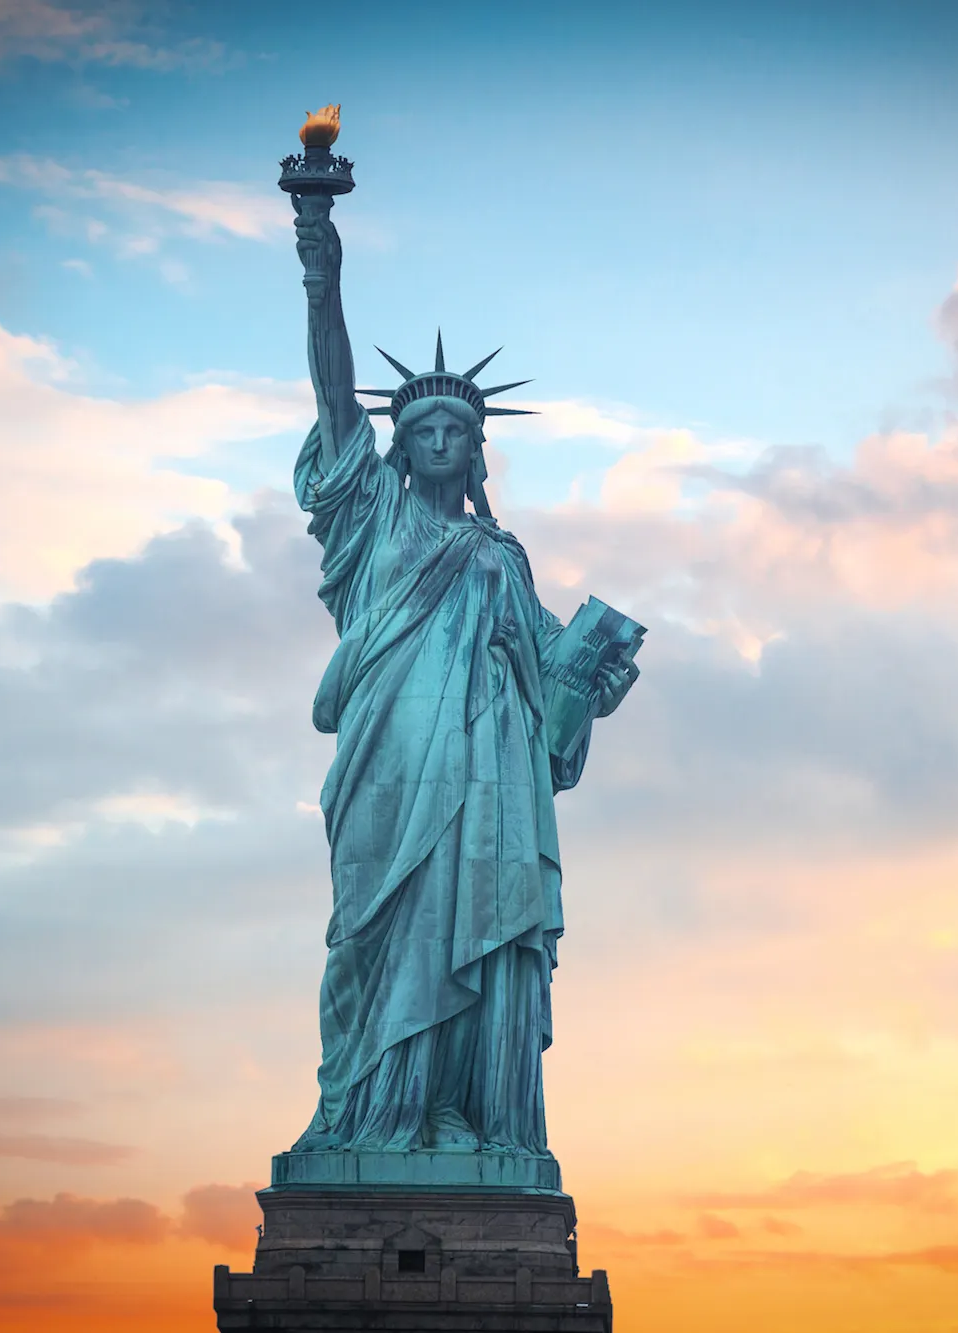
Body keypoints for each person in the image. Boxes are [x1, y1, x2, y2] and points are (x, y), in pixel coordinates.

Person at [286, 193, 638, 1157]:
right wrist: (320, 257)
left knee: (471, 926)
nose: (442, 439)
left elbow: (553, 681)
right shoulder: (373, 523)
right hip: (391, 761)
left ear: (476, 449)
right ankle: (368, 1107)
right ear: (398, 448)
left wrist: (592, 677)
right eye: (425, 428)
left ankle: (459, 1112)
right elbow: (331, 392)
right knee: (378, 931)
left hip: (490, 778)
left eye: (458, 429)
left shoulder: (503, 556)